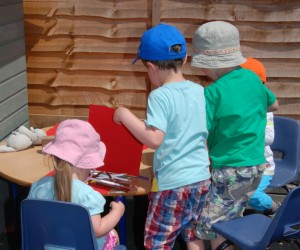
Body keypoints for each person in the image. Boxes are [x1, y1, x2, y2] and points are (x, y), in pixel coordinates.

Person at [113, 23, 211, 250]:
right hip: (201, 178)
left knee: (158, 242)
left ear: (151, 67)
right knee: (193, 235)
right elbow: (185, 125)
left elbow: (154, 139)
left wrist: (125, 115)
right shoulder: (198, 90)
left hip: (173, 184)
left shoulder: (159, 96)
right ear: (184, 60)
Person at [190, 21, 279, 250]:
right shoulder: (252, 79)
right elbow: (274, 104)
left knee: (208, 226)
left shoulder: (212, 92)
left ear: (212, 66)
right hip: (256, 166)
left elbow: (201, 132)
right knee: (228, 219)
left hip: (230, 170)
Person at [27, 119, 125, 249]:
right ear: (85, 166)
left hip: (47, 246)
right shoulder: (86, 195)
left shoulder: (38, 187)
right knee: (114, 237)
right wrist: (118, 212)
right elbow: (98, 230)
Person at [241, 57, 281, 215]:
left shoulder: (266, 109)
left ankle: (275, 208)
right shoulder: (236, 108)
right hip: (240, 166)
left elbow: (269, 137)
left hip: (264, 167)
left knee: (253, 196)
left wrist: (245, 132)